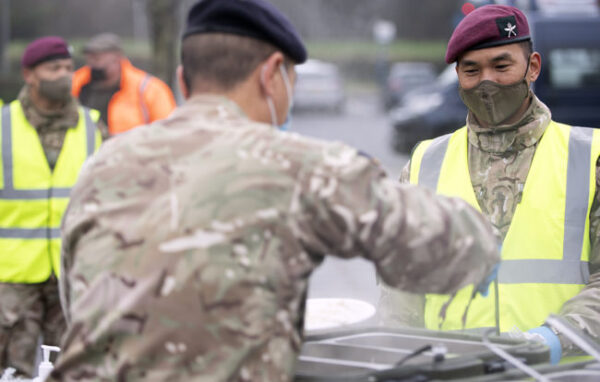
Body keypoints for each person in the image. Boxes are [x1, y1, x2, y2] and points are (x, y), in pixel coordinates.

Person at [48, 1, 500, 381]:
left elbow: (77, 301)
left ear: (183, 82)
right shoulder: (298, 165)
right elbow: (462, 247)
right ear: (271, 76)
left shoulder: (101, 165)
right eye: (291, 83)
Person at [378, 4, 600, 365]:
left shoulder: (590, 158)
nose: (487, 82)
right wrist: (403, 359)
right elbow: (401, 286)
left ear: (533, 67)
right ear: (457, 75)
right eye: (471, 70)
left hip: (558, 373)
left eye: (501, 66)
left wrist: (555, 339)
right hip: (453, 372)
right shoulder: (424, 164)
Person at [0, 36, 103, 377]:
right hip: (12, 277)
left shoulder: (92, 127)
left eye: (68, 68)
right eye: (53, 68)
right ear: (29, 74)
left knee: (75, 368)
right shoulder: (3, 126)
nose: (64, 75)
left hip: (73, 271)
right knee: (14, 371)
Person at [71, 33, 176, 136]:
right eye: (89, 58)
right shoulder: (76, 83)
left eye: (97, 58)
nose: (92, 64)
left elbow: (168, 130)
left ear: (117, 57)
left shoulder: (149, 89)